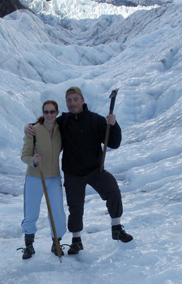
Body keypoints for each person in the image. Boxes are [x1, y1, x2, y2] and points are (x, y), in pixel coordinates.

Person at [25, 86, 133, 256]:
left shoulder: (95, 120)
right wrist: (29, 126)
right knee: (75, 207)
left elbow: (114, 142)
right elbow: (46, 123)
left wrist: (113, 125)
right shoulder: (64, 121)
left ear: (82, 101)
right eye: (69, 100)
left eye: (76, 99)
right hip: (73, 172)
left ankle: (117, 228)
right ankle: (76, 240)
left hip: (95, 170)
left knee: (112, 190)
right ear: (66, 104)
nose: (73, 103)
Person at [19, 100, 66, 259]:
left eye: (52, 112)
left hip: (53, 178)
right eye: (46, 112)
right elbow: (24, 156)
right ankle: (29, 246)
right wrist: (33, 159)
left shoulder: (61, 129)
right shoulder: (33, 130)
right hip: (35, 177)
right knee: (31, 212)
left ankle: (56, 243)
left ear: (57, 113)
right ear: (42, 113)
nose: (49, 115)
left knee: (57, 212)